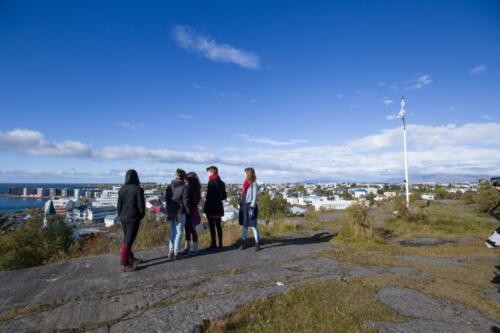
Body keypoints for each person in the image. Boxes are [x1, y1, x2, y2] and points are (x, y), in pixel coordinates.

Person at [117, 169, 146, 272]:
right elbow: (141, 207)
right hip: (133, 218)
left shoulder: (122, 190)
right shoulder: (138, 189)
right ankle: (124, 263)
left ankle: (131, 258)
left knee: (127, 239)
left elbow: (119, 206)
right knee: (128, 241)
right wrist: (140, 216)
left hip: (123, 217)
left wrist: (120, 216)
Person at [165, 169, 191, 259]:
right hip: (180, 210)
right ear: (183, 177)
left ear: (175, 176)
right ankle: (176, 252)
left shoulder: (169, 186)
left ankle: (171, 250)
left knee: (172, 230)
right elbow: (186, 201)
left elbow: (167, 199)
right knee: (179, 232)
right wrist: (188, 212)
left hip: (171, 210)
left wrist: (169, 208)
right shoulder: (185, 187)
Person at [203, 165, 227, 249]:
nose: (208, 174)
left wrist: (206, 196)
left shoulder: (211, 182)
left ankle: (214, 243)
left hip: (211, 207)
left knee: (212, 226)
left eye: (208, 172)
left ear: (212, 172)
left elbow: (209, 197)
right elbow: (224, 196)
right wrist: (218, 198)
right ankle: (220, 244)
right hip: (219, 207)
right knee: (218, 225)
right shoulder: (222, 183)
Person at [239, 167, 260, 251]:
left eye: (245, 173)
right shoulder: (245, 183)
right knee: (245, 226)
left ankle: (257, 243)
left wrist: (252, 207)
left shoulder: (254, 184)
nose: (244, 174)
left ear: (248, 174)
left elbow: (254, 197)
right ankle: (244, 243)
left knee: (254, 226)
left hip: (251, 207)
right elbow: (244, 195)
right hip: (244, 206)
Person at [183, 171, 201, 255]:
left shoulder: (192, 189)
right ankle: (189, 248)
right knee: (189, 229)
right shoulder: (196, 188)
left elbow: (194, 201)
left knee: (190, 230)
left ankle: (192, 248)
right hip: (192, 210)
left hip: (190, 210)